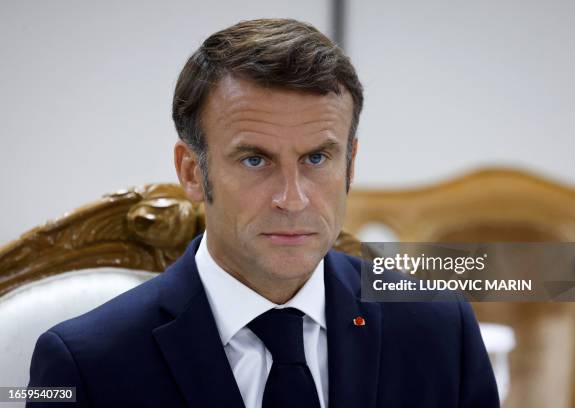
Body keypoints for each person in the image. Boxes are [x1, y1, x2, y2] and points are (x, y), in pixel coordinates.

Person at [27, 18, 499, 408]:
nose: (292, 199)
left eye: (317, 159)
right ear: (192, 172)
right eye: (255, 160)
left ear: (350, 164)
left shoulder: (440, 329)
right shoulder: (85, 365)